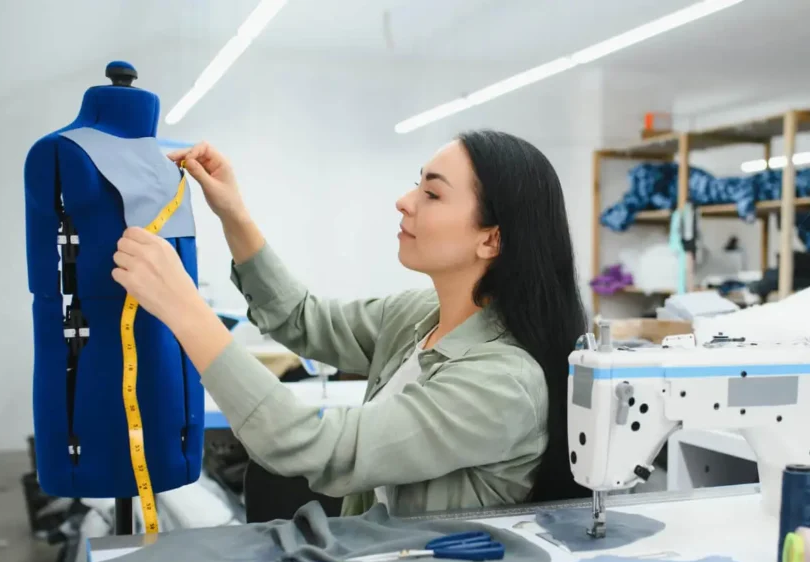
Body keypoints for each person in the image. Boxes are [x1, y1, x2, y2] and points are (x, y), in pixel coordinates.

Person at [111, 129, 588, 517]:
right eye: (415, 183)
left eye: (432, 193)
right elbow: (300, 318)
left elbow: (318, 448)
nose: (404, 201)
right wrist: (232, 213)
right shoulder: (417, 317)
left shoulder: (502, 384)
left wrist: (185, 310)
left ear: (492, 240)